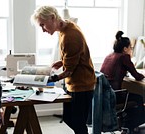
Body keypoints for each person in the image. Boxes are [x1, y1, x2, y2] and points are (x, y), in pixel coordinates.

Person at [31, 6, 96, 134]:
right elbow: (76, 55)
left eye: (43, 25)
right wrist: (62, 62)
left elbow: (68, 72)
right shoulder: (66, 28)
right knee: (69, 119)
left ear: (52, 18)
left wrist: (50, 79)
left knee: (78, 123)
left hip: (82, 84)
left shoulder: (70, 36)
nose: (43, 30)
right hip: (75, 83)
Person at [100, 31, 145, 133]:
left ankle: (127, 123)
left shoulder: (109, 56)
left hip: (105, 95)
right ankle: (130, 125)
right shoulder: (124, 57)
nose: (131, 50)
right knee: (139, 98)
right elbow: (137, 76)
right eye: (131, 48)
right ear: (125, 49)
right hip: (115, 95)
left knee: (134, 96)